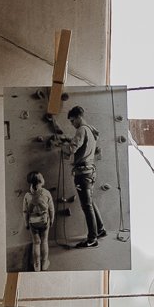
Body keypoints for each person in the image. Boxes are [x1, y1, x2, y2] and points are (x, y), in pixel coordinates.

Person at [47, 104, 108, 246]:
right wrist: (68, 139)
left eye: (72, 121)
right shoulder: (91, 130)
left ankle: (92, 239)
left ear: (78, 118)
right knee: (90, 203)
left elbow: (72, 149)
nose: (72, 124)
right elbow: (83, 143)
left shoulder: (81, 130)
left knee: (87, 206)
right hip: (90, 171)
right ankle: (100, 229)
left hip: (83, 174)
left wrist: (58, 145)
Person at [19, 170, 55, 271]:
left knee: (36, 243)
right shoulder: (46, 193)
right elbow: (51, 209)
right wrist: (51, 219)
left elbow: (25, 211)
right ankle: (44, 263)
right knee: (44, 241)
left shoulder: (27, 196)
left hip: (33, 222)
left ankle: (36, 265)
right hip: (44, 221)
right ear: (41, 181)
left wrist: (26, 223)